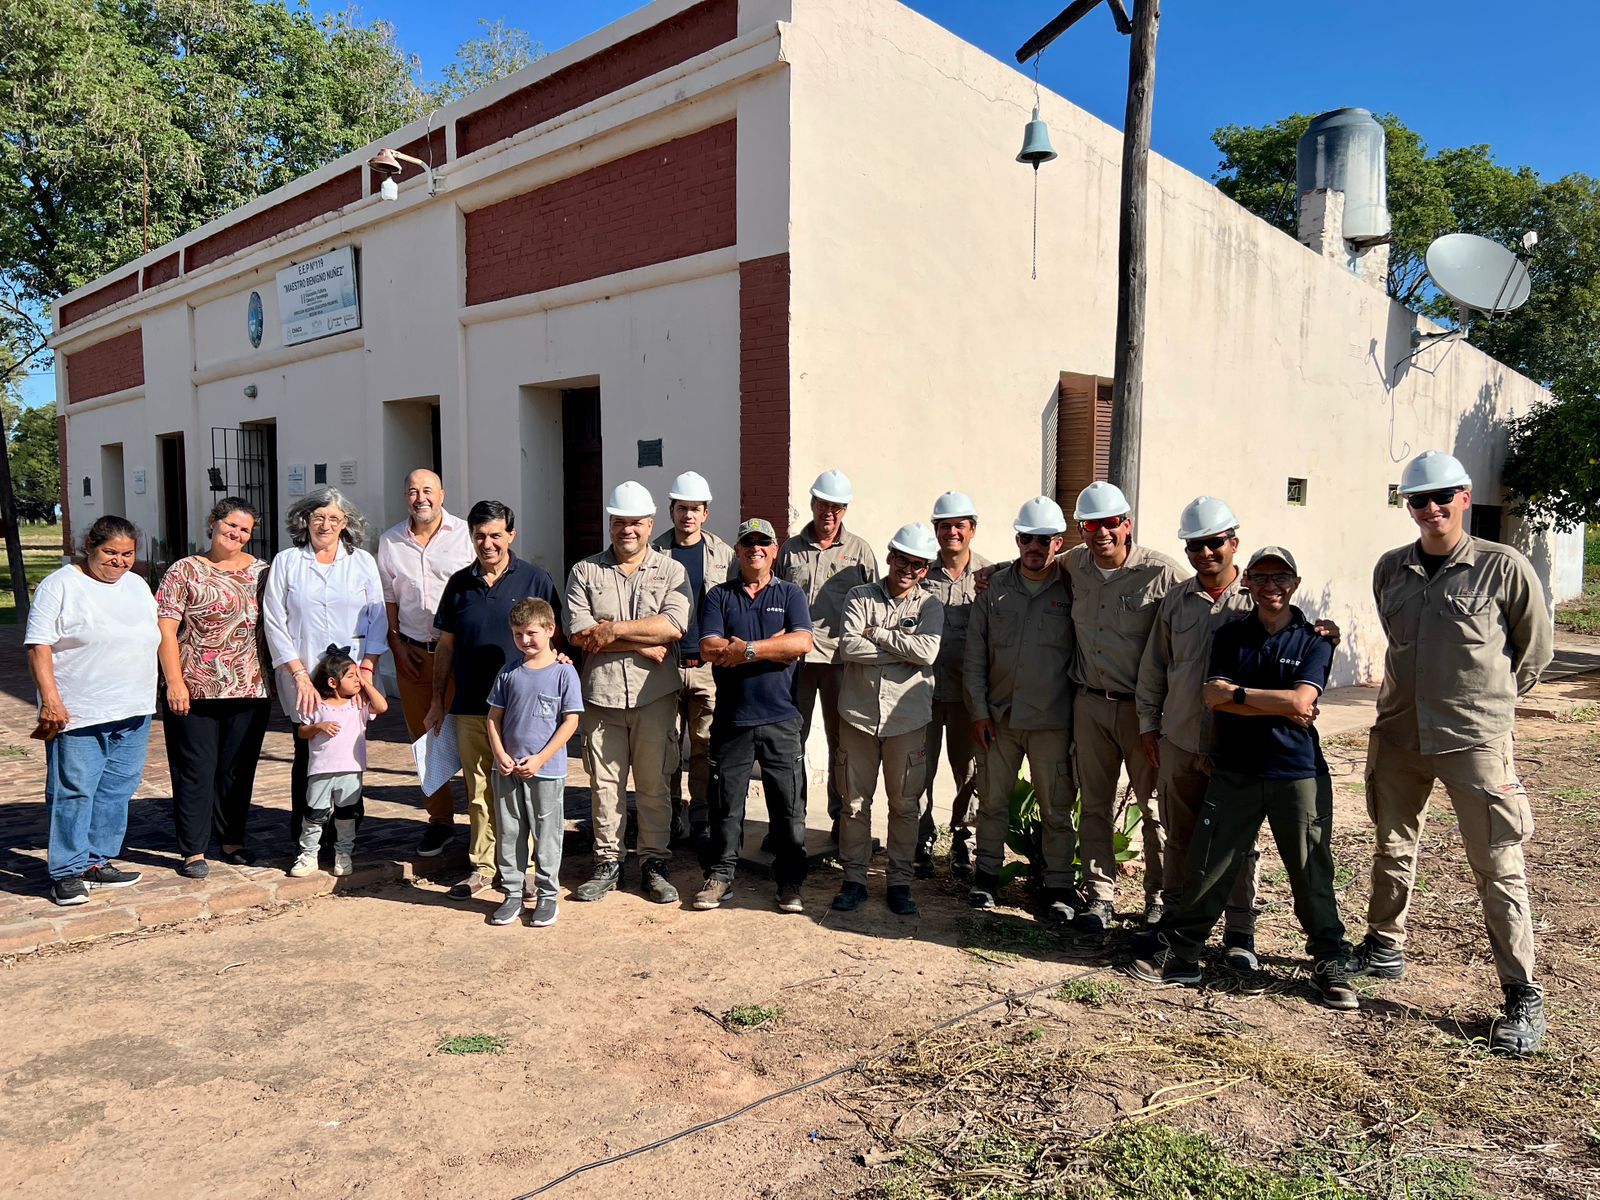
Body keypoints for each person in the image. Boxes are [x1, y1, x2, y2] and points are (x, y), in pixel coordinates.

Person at [1353, 450, 1554, 1055]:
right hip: (1400, 735)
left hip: (1475, 743)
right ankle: (1384, 945)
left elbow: (1533, 652)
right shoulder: (1391, 569)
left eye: (1443, 496)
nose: (1431, 508)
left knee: (1498, 865)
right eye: (1418, 500)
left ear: (1465, 497)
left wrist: (1487, 709)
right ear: (1407, 507)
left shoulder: (1504, 567)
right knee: (1392, 844)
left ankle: (1521, 993)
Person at [1129, 546, 1357, 1011]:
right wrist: (1271, 700)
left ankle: (1331, 961)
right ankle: (1184, 952)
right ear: (1247, 583)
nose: (1272, 586)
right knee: (1210, 864)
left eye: (1281, 577)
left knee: (1310, 870)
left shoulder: (1314, 638)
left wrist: (1242, 695)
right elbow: (1213, 697)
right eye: (1262, 577)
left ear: (1294, 582)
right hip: (1235, 769)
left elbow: (1301, 703)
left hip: (1297, 772)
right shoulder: (1232, 636)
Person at [1063, 481, 1183, 934]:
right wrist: (989, 571)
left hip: (1143, 713)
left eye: (1110, 523)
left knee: (1154, 808)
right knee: (1093, 804)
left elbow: (1201, 611)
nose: (1101, 533)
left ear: (1126, 524)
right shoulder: (1075, 565)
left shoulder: (1162, 573)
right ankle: (1100, 896)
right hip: (1090, 705)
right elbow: (1032, 566)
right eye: (1090, 525)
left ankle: (1158, 898)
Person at [564, 481, 692, 904]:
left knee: (654, 785)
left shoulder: (671, 570)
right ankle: (608, 862)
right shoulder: (585, 571)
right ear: (610, 524)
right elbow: (580, 634)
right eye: (619, 522)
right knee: (605, 785)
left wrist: (613, 630)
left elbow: (673, 626)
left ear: (650, 524)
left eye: (635, 523)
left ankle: (653, 862)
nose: (627, 530)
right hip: (600, 699)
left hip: (654, 698)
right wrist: (644, 641)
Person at [427, 500, 562, 900]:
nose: (488, 543)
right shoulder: (458, 584)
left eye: (496, 535)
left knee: (527, 790)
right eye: (480, 535)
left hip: (524, 713)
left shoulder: (536, 579)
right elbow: (445, 648)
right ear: (471, 537)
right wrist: (437, 699)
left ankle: (531, 869)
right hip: (471, 705)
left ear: (511, 536)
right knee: (480, 794)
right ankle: (483, 867)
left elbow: (556, 636)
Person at [26, 515, 160, 906]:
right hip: (79, 713)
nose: (120, 561)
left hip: (133, 707)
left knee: (117, 790)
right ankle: (67, 871)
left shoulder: (136, 585)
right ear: (90, 548)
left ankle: (96, 861)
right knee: (74, 793)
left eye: (128, 554)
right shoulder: (60, 585)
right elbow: (38, 647)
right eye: (110, 553)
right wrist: (51, 699)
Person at [963, 497, 1079, 920]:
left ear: (1057, 543)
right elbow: (975, 655)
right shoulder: (995, 589)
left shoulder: (1072, 587)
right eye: (1027, 537)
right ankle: (986, 879)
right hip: (1000, 718)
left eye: (1043, 539)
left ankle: (1059, 888)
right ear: (1017, 539)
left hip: (1052, 720)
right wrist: (978, 710)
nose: (1034, 546)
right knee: (991, 802)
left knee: (1056, 808)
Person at [692, 519, 815, 913]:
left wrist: (747, 650)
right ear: (738, 551)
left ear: (775, 551)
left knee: (788, 805)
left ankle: (790, 881)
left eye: (764, 542)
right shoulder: (719, 596)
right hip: (733, 718)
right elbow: (710, 647)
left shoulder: (791, 593)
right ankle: (721, 875)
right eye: (748, 543)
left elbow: (802, 642)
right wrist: (774, 645)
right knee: (727, 804)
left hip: (782, 718)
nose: (756, 548)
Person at [262, 487, 388, 847]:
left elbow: (377, 617)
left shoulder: (362, 561)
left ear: (344, 523)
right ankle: (307, 839)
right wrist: (299, 675)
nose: (325, 524)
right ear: (305, 520)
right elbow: (275, 621)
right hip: (303, 674)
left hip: (353, 676)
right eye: (318, 517)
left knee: (349, 748)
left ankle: (345, 837)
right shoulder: (287, 561)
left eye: (333, 518)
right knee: (311, 750)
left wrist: (366, 667)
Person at [156, 497, 272, 879]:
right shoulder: (184, 571)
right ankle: (193, 849)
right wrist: (174, 681)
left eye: (245, 530)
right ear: (213, 523)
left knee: (238, 770)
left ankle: (232, 840)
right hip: (195, 687)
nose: (237, 534)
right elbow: (166, 630)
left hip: (250, 686)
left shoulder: (262, 572)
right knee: (196, 770)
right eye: (231, 526)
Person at [834, 523, 944, 915]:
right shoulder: (859, 596)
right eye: (903, 559)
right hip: (859, 717)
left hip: (906, 721)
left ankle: (899, 881)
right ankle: (855, 879)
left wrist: (877, 634)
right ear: (890, 556)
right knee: (854, 803)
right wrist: (904, 651)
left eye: (918, 564)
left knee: (905, 804)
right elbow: (849, 647)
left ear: (925, 570)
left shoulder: (930, 606)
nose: (908, 569)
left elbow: (928, 652)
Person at [778, 469, 878, 845]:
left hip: (841, 663)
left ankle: (841, 820)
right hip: (797, 663)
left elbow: (874, 604)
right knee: (791, 742)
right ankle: (792, 820)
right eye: (823, 504)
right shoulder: (790, 549)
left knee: (843, 744)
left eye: (837, 507)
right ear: (812, 503)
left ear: (844, 509)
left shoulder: (860, 552)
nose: (829, 513)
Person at [376, 469, 474, 857]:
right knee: (426, 740)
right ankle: (440, 821)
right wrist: (397, 648)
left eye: (428, 490)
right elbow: (389, 601)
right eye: (413, 491)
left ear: (442, 494)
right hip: (415, 654)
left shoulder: (466, 535)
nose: (421, 498)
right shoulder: (390, 541)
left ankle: (486, 824)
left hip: (462, 654)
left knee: (472, 736)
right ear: (406, 497)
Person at [485, 598, 583, 929]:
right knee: (510, 832)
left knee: (548, 834)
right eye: (517, 634)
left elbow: (570, 721)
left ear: (550, 630)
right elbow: (493, 717)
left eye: (531, 633)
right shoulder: (508, 673)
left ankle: (547, 895)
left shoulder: (564, 673)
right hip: (508, 771)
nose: (525, 640)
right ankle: (512, 892)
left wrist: (541, 758)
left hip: (547, 772)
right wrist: (499, 753)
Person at [651, 470, 735, 844]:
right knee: (666, 744)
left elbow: (734, 605)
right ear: (671, 510)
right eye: (682, 508)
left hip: (706, 668)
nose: (688, 515)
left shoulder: (723, 555)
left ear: (706, 513)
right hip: (664, 664)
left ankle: (700, 812)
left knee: (703, 744)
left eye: (695, 509)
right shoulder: (653, 552)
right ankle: (669, 812)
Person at [917, 491, 991, 879]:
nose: (952, 533)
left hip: (968, 697)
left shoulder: (992, 577)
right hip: (925, 693)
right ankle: (922, 838)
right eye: (944, 526)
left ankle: (961, 840)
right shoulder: (920, 574)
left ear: (972, 530)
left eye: (959, 525)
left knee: (968, 772)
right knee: (920, 770)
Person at [290, 645, 389, 877]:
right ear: (333, 682)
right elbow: (302, 732)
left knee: (347, 815)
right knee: (315, 814)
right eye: (351, 676)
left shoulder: (359, 705)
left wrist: (365, 681)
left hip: (351, 771)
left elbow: (382, 706)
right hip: (321, 771)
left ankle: (343, 853)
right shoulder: (317, 705)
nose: (357, 680)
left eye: (357, 676)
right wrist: (318, 727)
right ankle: (308, 854)